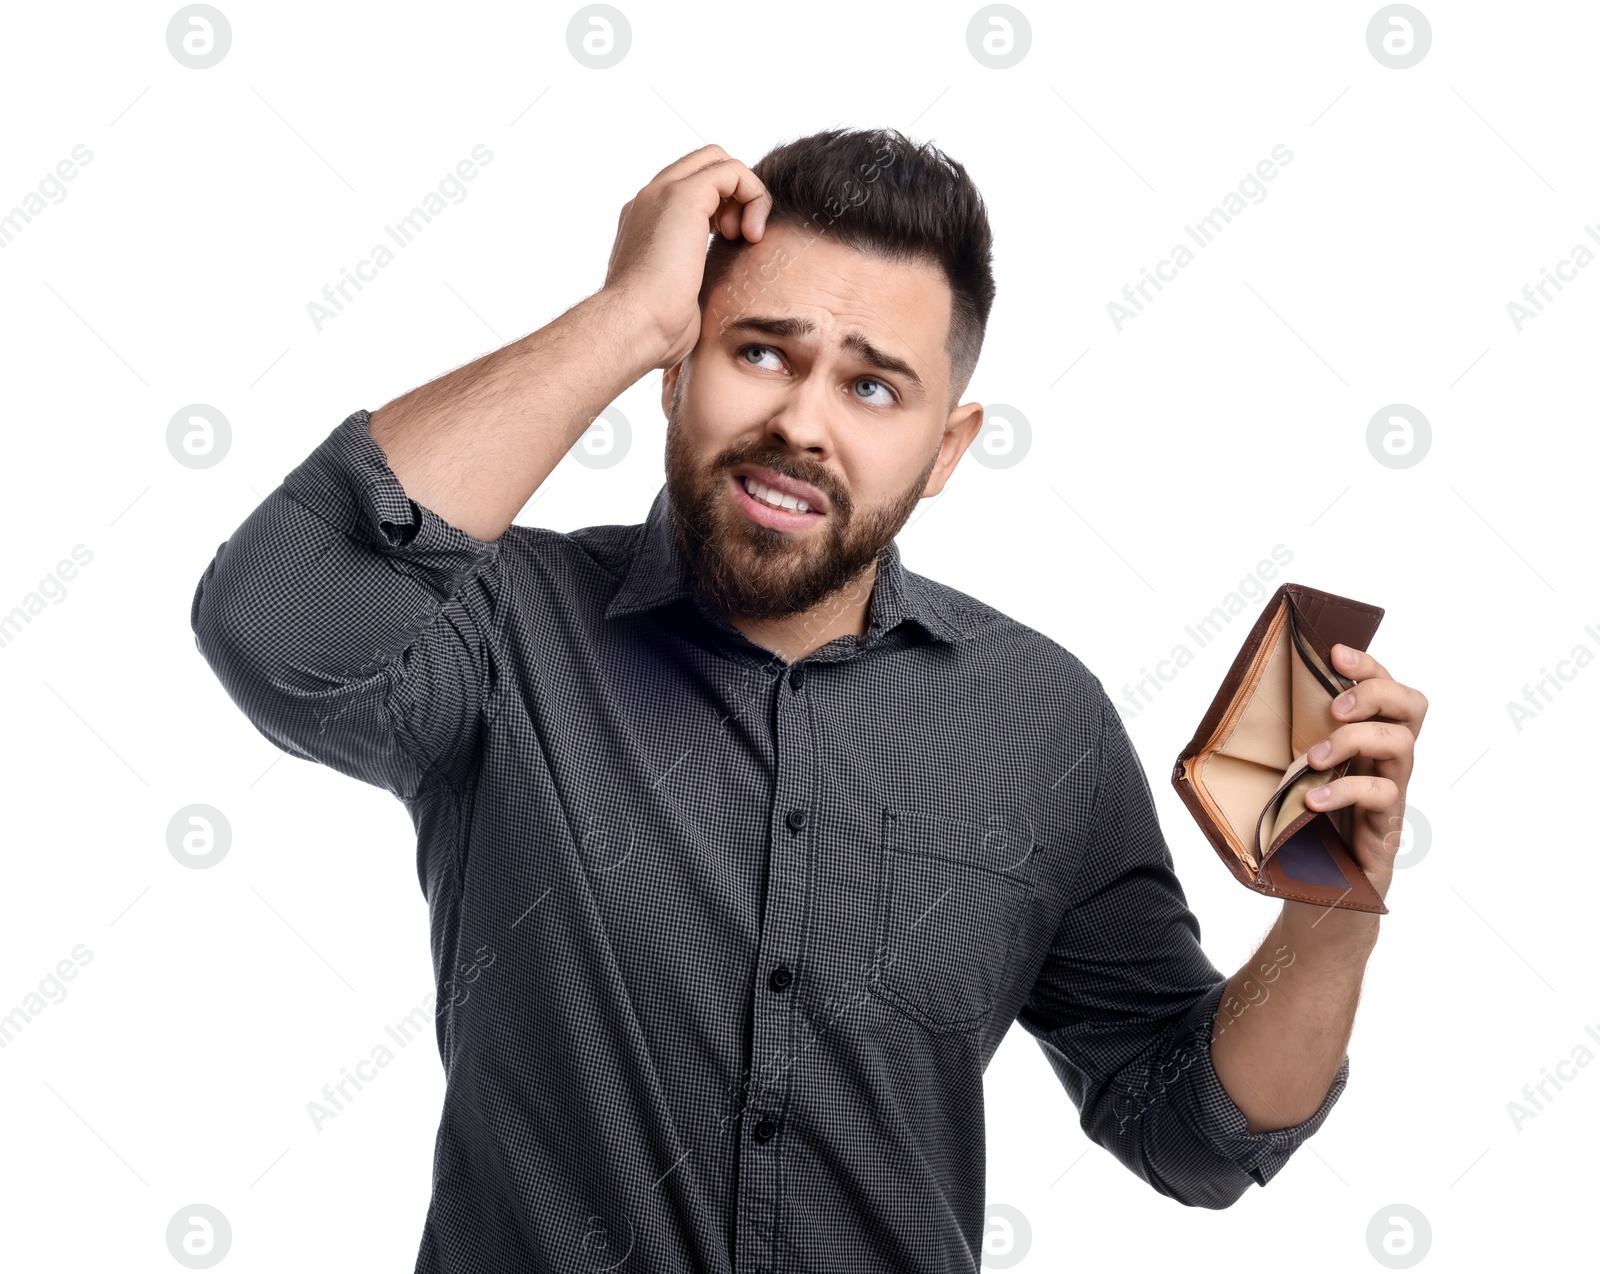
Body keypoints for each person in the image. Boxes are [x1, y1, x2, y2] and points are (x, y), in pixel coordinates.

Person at [189, 128, 1429, 1273]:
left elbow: (1190, 1129)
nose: (800, 423)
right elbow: (282, 624)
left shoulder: (1039, 719)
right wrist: (621, 315)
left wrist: (1332, 908)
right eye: (759, 351)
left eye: (874, 388)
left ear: (947, 449)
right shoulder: (509, 625)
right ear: (676, 371)